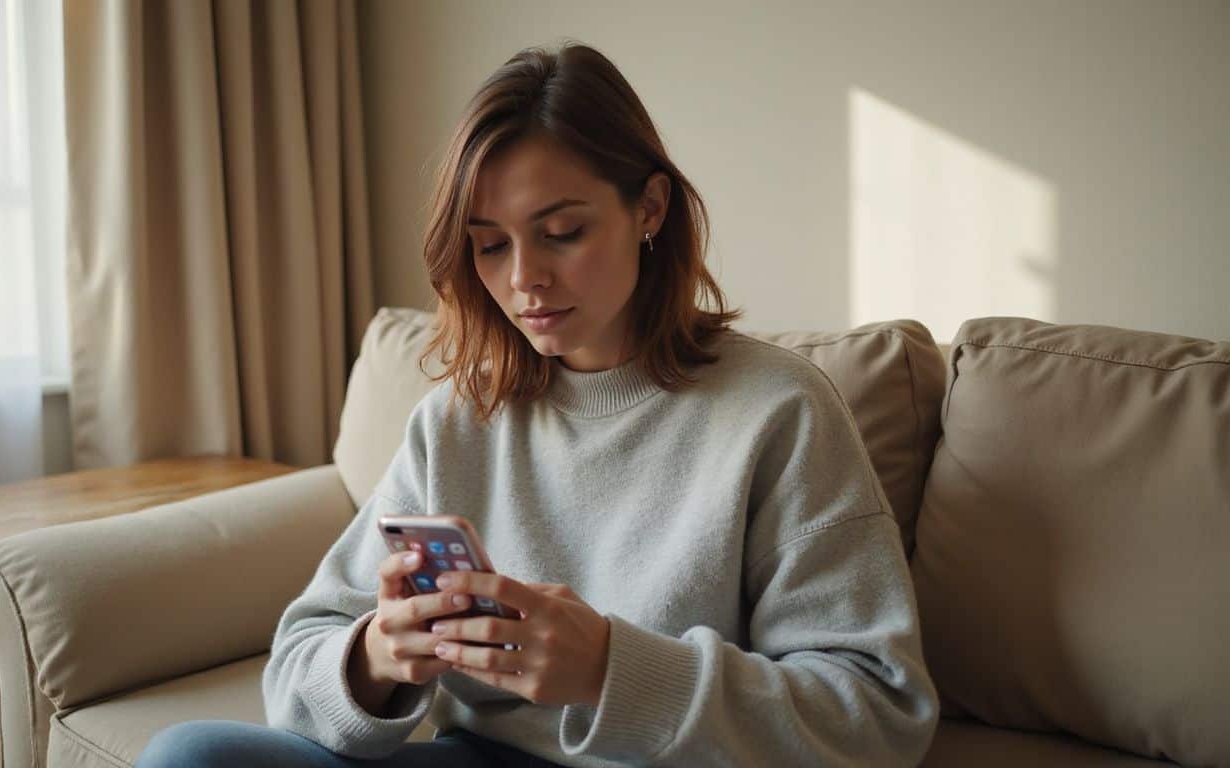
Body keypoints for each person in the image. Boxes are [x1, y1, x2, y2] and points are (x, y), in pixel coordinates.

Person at [137, 41, 940, 768]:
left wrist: (611, 670)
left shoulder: (779, 411)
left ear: (650, 209)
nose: (524, 278)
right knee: (190, 756)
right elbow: (298, 666)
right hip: (477, 758)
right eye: (490, 244)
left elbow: (875, 714)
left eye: (560, 231)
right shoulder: (459, 419)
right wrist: (380, 654)